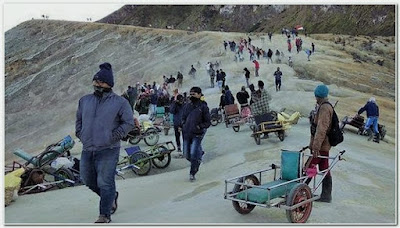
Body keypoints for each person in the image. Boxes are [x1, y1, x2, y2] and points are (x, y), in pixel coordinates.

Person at [75, 62, 135, 223]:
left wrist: (113, 136)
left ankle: (104, 215)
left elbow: (129, 122)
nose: (96, 84)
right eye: (95, 81)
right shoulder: (84, 100)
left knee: (105, 182)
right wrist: (80, 134)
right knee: (87, 180)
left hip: (109, 148)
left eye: (100, 81)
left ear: (109, 84)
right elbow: (79, 120)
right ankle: (111, 197)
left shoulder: (120, 102)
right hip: (88, 148)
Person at [308, 84, 333, 203]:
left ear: (319, 96)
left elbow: (321, 128)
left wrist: (315, 146)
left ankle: (300, 191)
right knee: (324, 168)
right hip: (325, 145)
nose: (315, 99)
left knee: (309, 166)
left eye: (316, 97)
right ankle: (326, 196)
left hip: (321, 145)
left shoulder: (324, 108)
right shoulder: (326, 106)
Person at [181, 87, 211, 181]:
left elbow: (208, 122)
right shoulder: (187, 106)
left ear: (199, 94)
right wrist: (182, 125)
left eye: (193, 94)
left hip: (197, 134)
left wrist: (200, 126)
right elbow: (183, 117)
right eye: (191, 94)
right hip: (186, 134)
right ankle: (198, 159)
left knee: (193, 153)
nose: (191, 96)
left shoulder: (203, 107)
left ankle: (192, 173)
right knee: (187, 155)